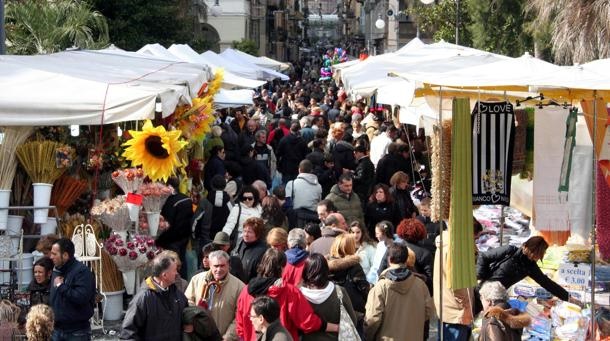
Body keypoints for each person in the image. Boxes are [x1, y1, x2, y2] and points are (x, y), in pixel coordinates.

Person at [235, 249, 338, 341]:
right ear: (282, 268)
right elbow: (307, 322)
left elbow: (240, 325)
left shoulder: (245, 291)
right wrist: (335, 327)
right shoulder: (290, 291)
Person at [476, 236, 581, 305]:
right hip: (481, 289)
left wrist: (568, 297)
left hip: (495, 295)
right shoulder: (509, 251)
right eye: (534, 254)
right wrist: (481, 277)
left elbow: (547, 283)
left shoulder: (530, 266)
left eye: (538, 256)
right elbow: (484, 257)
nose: (534, 257)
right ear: (527, 247)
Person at [365, 243, 435, 341]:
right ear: (406, 260)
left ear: (389, 259)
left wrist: (368, 337)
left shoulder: (380, 287)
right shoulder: (421, 284)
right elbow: (428, 311)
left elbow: (373, 319)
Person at [121, 253, 189, 341]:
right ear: (164, 275)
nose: (177, 273)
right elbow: (128, 334)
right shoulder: (143, 298)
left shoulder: (177, 293)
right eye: (175, 270)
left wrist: (189, 323)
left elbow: (186, 313)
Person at [185, 250, 245, 340]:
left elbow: (239, 317)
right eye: (216, 266)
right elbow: (188, 303)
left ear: (228, 265)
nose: (219, 269)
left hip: (222, 337)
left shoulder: (239, 286)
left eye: (222, 266)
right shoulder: (196, 280)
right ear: (209, 265)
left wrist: (228, 338)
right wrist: (191, 322)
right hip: (197, 336)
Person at [300, 254, 358, 341]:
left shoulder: (299, 295)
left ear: (305, 271)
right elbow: (352, 320)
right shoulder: (339, 292)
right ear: (326, 270)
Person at [49, 238, 96, 341]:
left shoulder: (82, 272)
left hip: (77, 332)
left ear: (65, 255)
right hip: (56, 330)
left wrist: (61, 286)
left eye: (54, 254)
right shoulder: (57, 270)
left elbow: (81, 297)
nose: (51, 257)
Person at [158, 177, 193, 278]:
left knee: (173, 263)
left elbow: (167, 222)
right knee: (182, 260)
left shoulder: (170, 201)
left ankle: (177, 282)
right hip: (184, 237)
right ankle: (184, 282)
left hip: (172, 239)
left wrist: (161, 239)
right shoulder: (186, 198)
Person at [326, 233, 369, 315]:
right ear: (350, 247)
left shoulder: (324, 265)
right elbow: (364, 288)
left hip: (332, 310)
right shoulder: (354, 265)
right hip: (354, 310)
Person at [395, 218, 433, 293]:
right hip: (416, 293)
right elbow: (430, 281)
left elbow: (381, 270)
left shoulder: (393, 248)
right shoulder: (425, 253)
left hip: (394, 290)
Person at [285, 160, 322, 228]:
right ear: (311, 171)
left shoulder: (291, 183)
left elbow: (288, 203)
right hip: (314, 218)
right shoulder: (318, 186)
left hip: (297, 219)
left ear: (299, 170)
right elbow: (319, 202)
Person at [233, 217, 269, 283]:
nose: (246, 235)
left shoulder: (263, 251)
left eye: (250, 232)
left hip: (248, 286)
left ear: (258, 234)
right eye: (244, 231)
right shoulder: (239, 242)